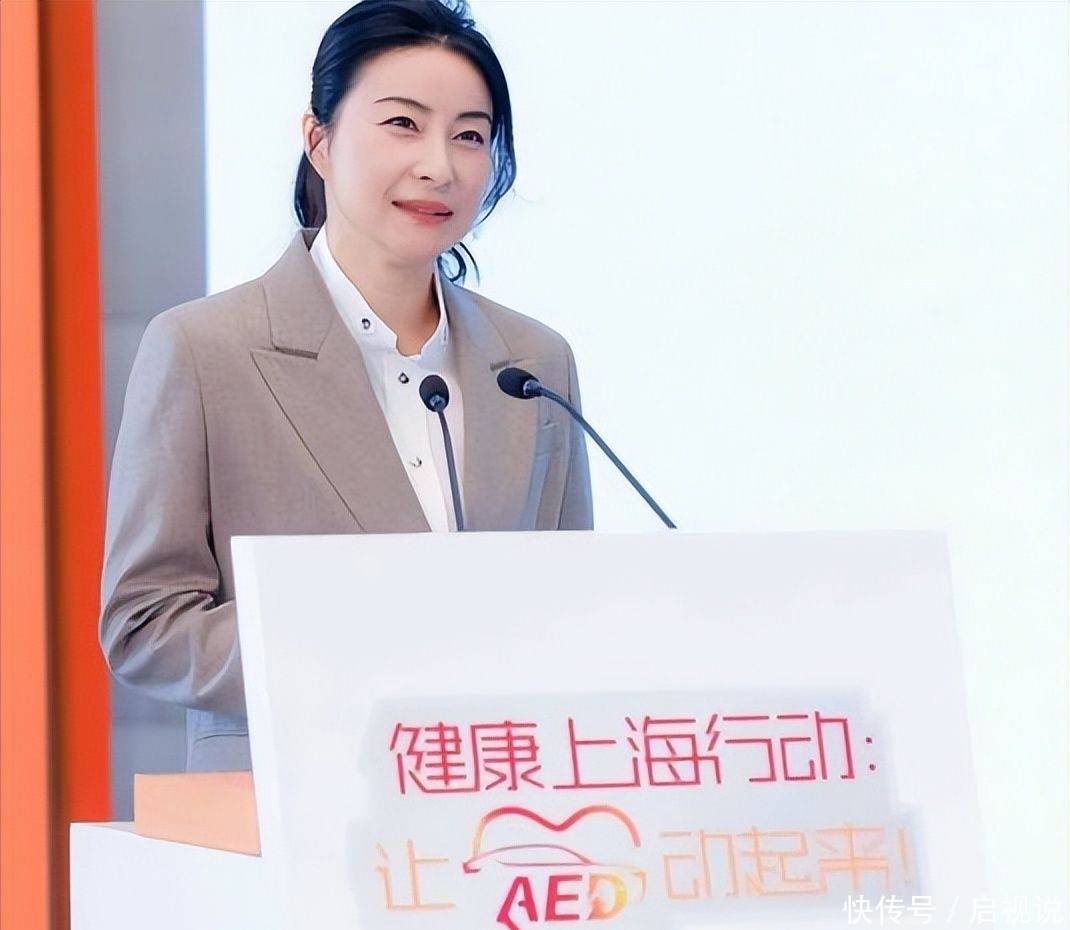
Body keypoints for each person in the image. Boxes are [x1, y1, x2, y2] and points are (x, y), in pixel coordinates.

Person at [98, 0, 593, 773]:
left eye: (470, 135)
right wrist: (359, 650)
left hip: (498, 802)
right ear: (319, 141)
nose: (439, 165)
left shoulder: (534, 363)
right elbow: (145, 625)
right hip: (288, 801)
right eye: (403, 124)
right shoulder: (203, 349)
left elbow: (575, 608)